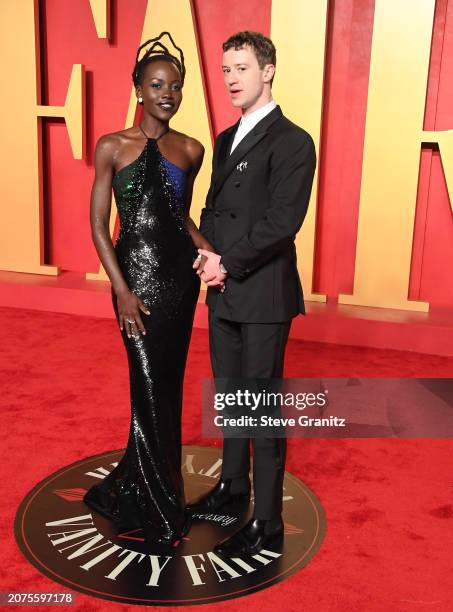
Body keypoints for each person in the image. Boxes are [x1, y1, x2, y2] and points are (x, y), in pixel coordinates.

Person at [187, 31, 317, 556]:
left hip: (263, 293)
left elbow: (283, 221)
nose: (231, 79)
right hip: (222, 288)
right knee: (230, 395)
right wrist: (203, 258)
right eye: (225, 70)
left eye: (241, 68)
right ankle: (231, 485)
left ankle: (268, 522)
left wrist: (227, 263)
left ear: (267, 71)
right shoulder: (224, 138)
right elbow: (214, 210)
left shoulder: (294, 140)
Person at [83, 32, 211, 546]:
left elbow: (179, 218)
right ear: (139, 87)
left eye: (176, 87)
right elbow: (98, 224)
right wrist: (120, 291)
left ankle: (147, 490)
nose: (168, 93)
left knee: (167, 391)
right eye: (158, 84)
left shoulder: (192, 149)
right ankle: (160, 506)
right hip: (133, 286)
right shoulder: (112, 145)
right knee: (148, 390)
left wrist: (210, 253)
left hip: (180, 285)